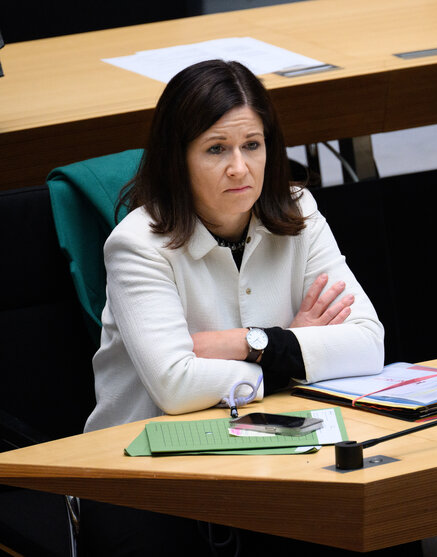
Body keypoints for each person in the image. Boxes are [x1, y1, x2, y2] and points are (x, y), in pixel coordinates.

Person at [80, 59, 393, 556]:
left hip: (274, 448)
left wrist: (249, 343)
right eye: (215, 149)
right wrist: (294, 353)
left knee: (374, 523)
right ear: (176, 158)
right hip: (145, 474)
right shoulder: (138, 244)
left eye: (252, 145)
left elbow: (368, 344)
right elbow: (175, 386)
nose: (240, 167)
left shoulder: (299, 212)